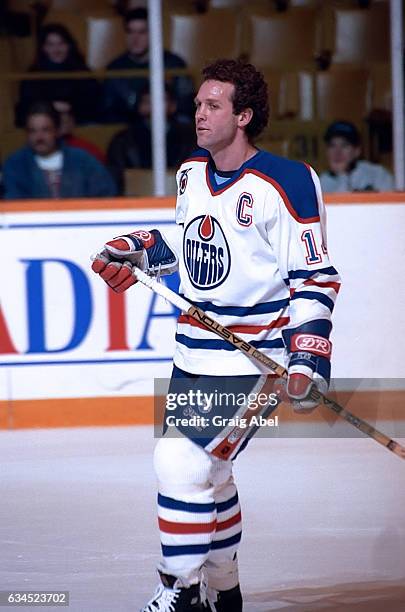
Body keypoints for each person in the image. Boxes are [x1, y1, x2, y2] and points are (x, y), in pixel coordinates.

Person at [91, 59, 341, 611]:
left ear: (244, 115)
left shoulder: (289, 181)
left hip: (256, 361)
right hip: (194, 352)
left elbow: (314, 277)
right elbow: (186, 242)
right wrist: (136, 250)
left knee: (180, 465)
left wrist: (308, 358)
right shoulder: (190, 171)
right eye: (198, 104)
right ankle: (224, 590)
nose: (198, 114)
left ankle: (174, 592)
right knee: (211, 473)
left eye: (212, 106)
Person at [3, 101, 116, 199]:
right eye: (33, 131)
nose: (39, 137)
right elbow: (13, 203)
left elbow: (106, 194)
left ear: (57, 131)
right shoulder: (15, 165)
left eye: (45, 130)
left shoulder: (83, 160)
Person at [102, 7, 194, 123]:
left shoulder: (173, 64)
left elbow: (187, 103)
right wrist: (137, 109)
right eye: (130, 32)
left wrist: (168, 107)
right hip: (129, 131)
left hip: (170, 129)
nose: (135, 38)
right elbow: (107, 109)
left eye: (142, 32)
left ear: (154, 34)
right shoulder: (115, 68)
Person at [106, 84, 196, 193]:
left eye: (160, 101)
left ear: (173, 105)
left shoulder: (190, 138)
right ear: (139, 106)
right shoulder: (123, 141)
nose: (154, 107)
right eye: (148, 102)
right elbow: (115, 178)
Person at [15, 23, 100, 127]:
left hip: (79, 124)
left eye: (61, 43)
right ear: (43, 48)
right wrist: (50, 107)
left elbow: (94, 104)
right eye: (50, 45)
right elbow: (25, 108)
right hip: (43, 126)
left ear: (69, 45)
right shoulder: (33, 75)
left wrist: (71, 108)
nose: (56, 49)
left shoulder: (82, 71)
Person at [319, 120, 394, 193]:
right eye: (332, 146)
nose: (337, 152)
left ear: (357, 151)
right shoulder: (321, 182)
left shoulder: (377, 174)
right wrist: (342, 175)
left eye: (344, 145)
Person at [54, 99, 106, 164]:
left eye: (69, 114)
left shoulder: (88, 150)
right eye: (57, 114)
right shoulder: (40, 150)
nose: (65, 118)